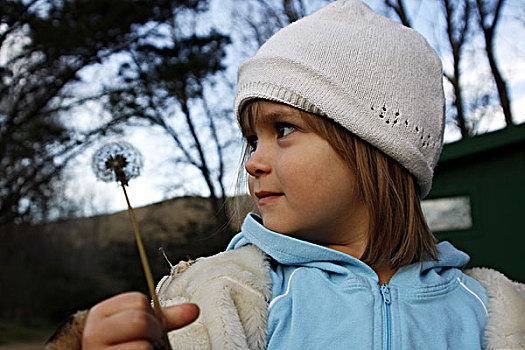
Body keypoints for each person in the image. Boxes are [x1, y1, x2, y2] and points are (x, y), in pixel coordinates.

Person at [46, 0, 525, 349]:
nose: (253, 161)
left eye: (284, 129)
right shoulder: (228, 297)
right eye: (252, 139)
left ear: (375, 148)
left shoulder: (496, 311)